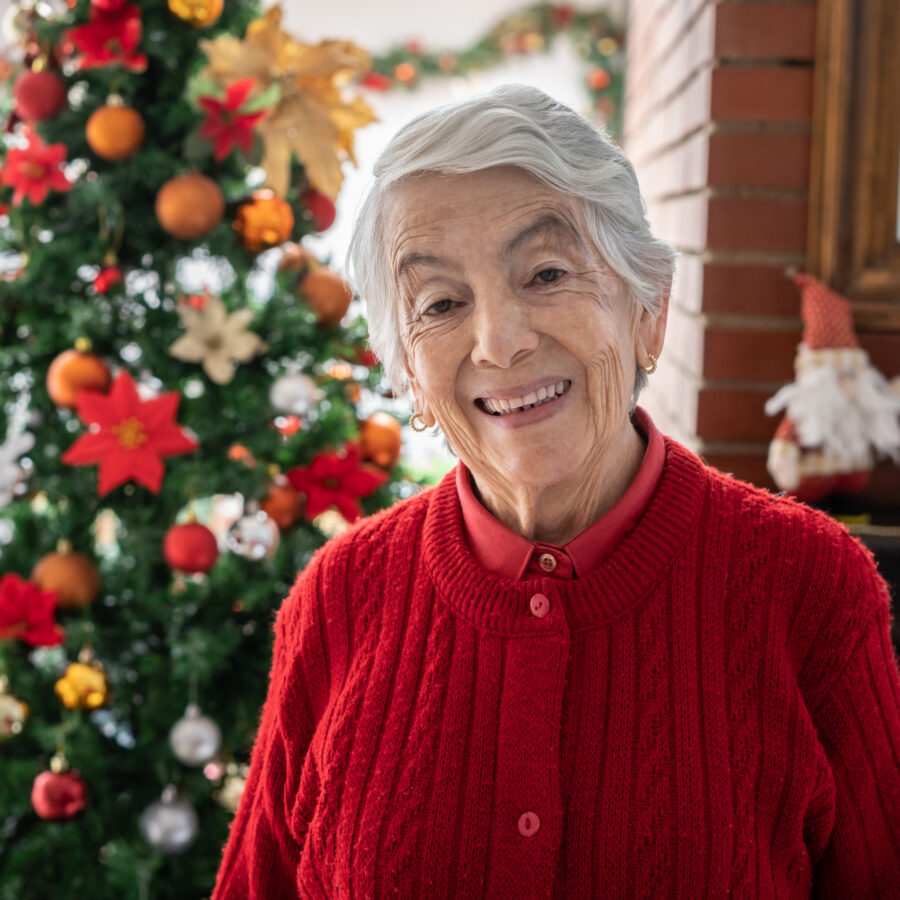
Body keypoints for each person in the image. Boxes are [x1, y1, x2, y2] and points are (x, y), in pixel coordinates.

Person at [211, 85, 900, 899]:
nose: (500, 342)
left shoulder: (810, 584)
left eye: (545, 273)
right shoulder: (339, 599)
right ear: (409, 376)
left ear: (649, 313)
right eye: (441, 303)